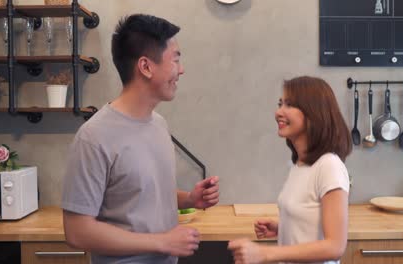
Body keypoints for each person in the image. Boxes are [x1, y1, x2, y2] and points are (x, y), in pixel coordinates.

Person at [61, 14, 220, 264]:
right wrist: (162, 242)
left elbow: (141, 192)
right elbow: (77, 231)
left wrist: (189, 199)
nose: (181, 69)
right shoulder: (93, 137)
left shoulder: (158, 124)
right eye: (175, 59)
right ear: (146, 67)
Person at [228, 76, 352, 264]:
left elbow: (335, 246)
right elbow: (312, 222)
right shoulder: (300, 165)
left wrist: (265, 253)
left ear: (314, 113)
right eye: (280, 104)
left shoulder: (329, 166)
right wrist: (283, 227)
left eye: (289, 105)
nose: (279, 112)